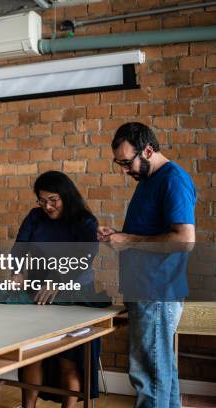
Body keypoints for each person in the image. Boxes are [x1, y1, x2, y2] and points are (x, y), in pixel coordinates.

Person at [98, 122, 196, 408]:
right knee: (161, 373)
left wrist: (128, 239)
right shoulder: (149, 180)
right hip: (148, 292)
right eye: (119, 164)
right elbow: (148, 236)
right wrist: (118, 237)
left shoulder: (172, 179)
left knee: (149, 377)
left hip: (156, 293)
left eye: (127, 163)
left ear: (149, 150)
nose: (124, 170)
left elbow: (183, 240)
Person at [6, 171, 101, 408]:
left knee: (66, 360)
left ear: (66, 196)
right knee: (32, 356)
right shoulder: (35, 217)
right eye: (42, 200)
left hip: (75, 296)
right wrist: (16, 272)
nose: (47, 206)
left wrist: (57, 280)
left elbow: (83, 258)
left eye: (53, 200)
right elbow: (19, 248)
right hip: (39, 295)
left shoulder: (84, 221)